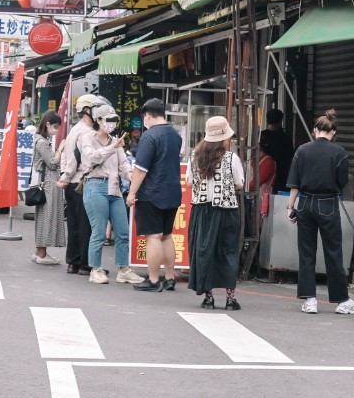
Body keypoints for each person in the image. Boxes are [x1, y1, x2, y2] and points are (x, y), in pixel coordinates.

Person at [286, 108, 354, 315]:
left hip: (305, 203)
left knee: (307, 252)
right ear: (333, 132)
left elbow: (294, 183)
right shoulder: (340, 153)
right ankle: (341, 301)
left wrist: (291, 207)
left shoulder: (302, 150)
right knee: (333, 252)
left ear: (314, 130)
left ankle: (310, 300)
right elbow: (341, 182)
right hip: (328, 204)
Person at [79, 105, 144, 285]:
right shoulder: (87, 138)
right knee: (99, 232)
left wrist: (131, 175)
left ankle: (123, 269)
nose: (111, 124)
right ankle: (95, 269)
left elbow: (123, 165)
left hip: (114, 189)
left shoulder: (116, 140)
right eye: (108, 120)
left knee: (123, 232)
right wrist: (112, 147)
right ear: (98, 120)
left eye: (114, 120)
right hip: (95, 186)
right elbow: (91, 158)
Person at [185, 116, 245, 310]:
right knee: (228, 251)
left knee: (203, 251)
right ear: (224, 138)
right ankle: (230, 298)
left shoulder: (195, 156)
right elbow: (240, 183)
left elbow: (188, 181)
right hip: (226, 210)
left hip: (201, 210)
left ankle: (208, 297)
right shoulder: (230, 158)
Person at [126, 98, 183, 292]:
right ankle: (169, 278)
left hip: (152, 193)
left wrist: (131, 192)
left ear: (148, 115)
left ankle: (152, 280)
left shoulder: (150, 137)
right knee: (167, 236)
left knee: (153, 237)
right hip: (173, 192)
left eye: (145, 117)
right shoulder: (175, 135)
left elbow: (141, 169)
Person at [56, 94, 103, 275]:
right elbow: (76, 158)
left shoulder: (75, 129)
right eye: (96, 109)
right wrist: (67, 177)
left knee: (75, 224)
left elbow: (68, 158)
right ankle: (85, 263)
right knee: (86, 225)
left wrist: (65, 178)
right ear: (87, 111)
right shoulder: (87, 132)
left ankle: (73, 262)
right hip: (81, 183)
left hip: (71, 183)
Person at [31, 110, 65, 265]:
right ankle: (42, 254)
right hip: (49, 182)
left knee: (44, 217)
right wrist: (60, 149)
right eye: (55, 126)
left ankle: (39, 251)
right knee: (48, 217)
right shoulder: (42, 142)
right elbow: (52, 163)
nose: (57, 130)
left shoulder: (41, 140)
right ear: (48, 124)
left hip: (45, 181)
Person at [259, 108, 294, 193]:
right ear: (280, 121)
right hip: (280, 178)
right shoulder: (285, 138)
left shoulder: (261, 137)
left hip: (262, 176)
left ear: (267, 121)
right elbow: (291, 160)